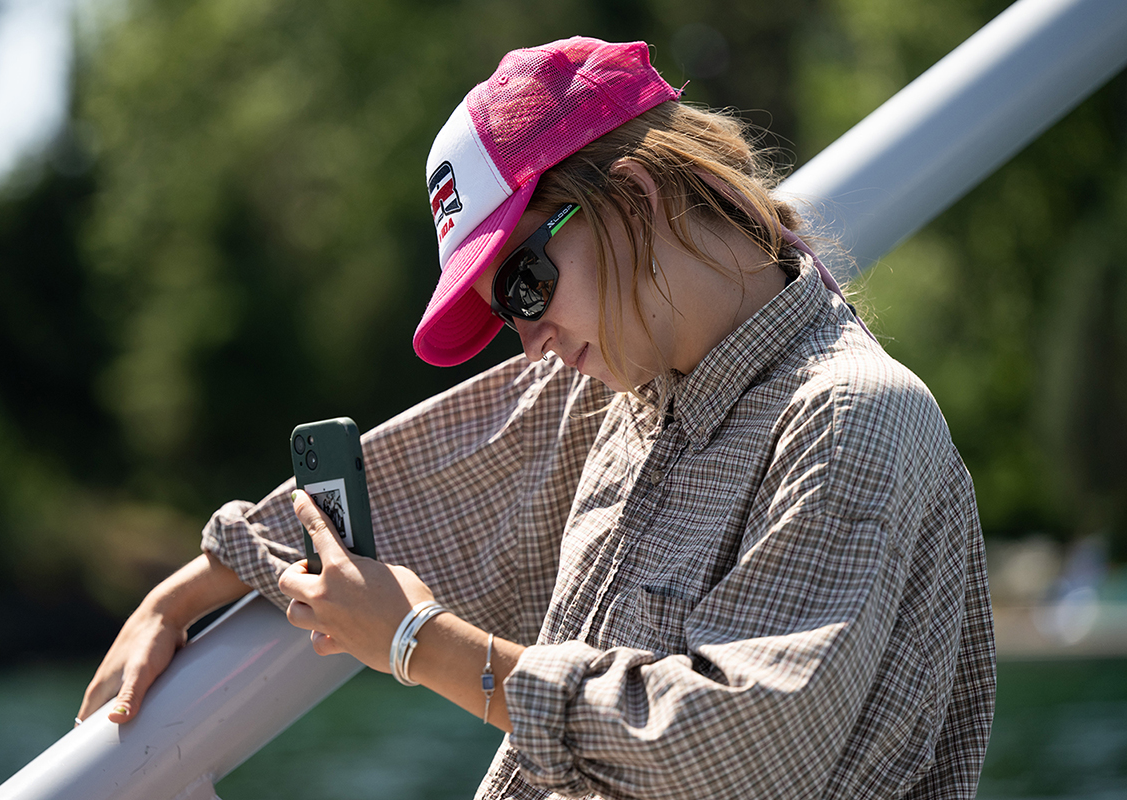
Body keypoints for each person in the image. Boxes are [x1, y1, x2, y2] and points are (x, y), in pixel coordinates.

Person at [78, 36, 996, 800]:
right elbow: (422, 489)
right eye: (503, 310)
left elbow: (736, 752)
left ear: (634, 193)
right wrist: (188, 590)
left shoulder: (850, 419)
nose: (527, 339)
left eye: (524, 283)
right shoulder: (621, 380)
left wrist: (418, 644)